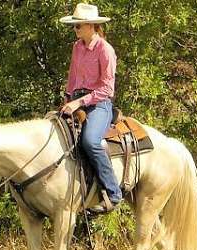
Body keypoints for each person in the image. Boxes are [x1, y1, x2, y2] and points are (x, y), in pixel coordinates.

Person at [59, 3, 122, 213]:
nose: (75, 30)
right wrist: (68, 98)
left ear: (91, 26)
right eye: (75, 26)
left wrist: (79, 102)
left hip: (99, 105)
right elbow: (72, 78)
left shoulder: (105, 50)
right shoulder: (77, 47)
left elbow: (107, 89)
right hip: (76, 102)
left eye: (78, 26)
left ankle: (113, 193)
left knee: (90, 141)